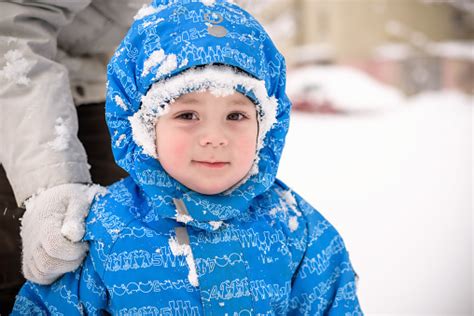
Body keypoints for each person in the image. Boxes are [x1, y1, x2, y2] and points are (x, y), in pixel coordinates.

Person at [11, 0, 362, 314]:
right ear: (146, 127)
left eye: (236, 116)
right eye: (187, 115)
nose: (213, 137)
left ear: (267, 126)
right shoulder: (105, 231)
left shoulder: (299, 231)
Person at [0, 1, 149, 312]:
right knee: (38, 257)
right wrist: (50, 185)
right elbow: (11, 28)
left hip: (115, 82)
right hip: (21, 80)